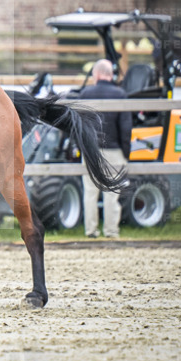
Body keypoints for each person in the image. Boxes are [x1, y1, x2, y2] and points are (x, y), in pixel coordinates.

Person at [79, 59, 131, 238]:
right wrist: (126, 152)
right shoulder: (120, 94)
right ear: (110, 74)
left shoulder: (86, 93)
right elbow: (126, 128)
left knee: (90, 193)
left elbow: (79, 123)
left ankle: (91, 231)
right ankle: (111, 231)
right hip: (114, 150)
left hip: (91, 150)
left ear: (97, 74)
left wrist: (82, 147)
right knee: (111, 194)